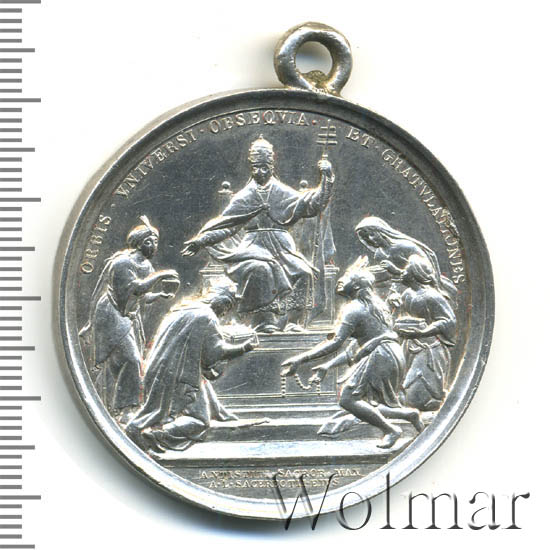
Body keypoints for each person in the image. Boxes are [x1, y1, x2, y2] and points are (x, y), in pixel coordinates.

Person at [181, 136, 335, 333]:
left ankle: (292, 322)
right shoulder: (244, 196)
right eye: (255, 168)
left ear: (271, 166)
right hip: (253, 247)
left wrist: (326, 178)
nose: (259, 172)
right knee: (261, 269)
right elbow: (227, 225)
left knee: (303, 272)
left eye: (264, 167)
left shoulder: (282, 192)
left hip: (283, 247)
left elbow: (312, 204)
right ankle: (263, 321)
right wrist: (202, 240)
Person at [281, 262, 423, 449]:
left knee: (348, 399)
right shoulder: (376, 305)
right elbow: (355, 348)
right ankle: (409, 415)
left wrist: (301, 359)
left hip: (380, 355)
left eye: (346, 278)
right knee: (365, 402)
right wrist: (328, 365)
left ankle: (391, 430)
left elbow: (335, 342)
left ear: (356, 286)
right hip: (391, 352)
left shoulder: (354, 308)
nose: (340, 281)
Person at [126, 283, 257, 453]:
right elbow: (214, 352)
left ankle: (151, 432)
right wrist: (244, 347)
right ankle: (153, 434)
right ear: (221, 302)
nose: (225, 313)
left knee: (163, 407)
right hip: (179, 376)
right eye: (227, 307)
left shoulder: (184, 309)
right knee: (199, 420)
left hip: (161, 368)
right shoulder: (207, 317)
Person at [79, 216, 179, 420]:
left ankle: (112, 406)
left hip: (128, 317)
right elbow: (134, 289)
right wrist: (161, 276)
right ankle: (126, 409)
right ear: (139, 243)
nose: (154, 246)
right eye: (150, 242)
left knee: (120, 363)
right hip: (112, 315)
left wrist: (158, 295)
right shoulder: (122, 263)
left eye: (156, 242)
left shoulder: (146, 266)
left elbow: (141, 297)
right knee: (131, 360)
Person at [394, 254, 457, 411]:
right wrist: (393, 307)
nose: (402, 272)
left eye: (406, 269)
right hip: (408, 347)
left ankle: (431, 402)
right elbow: (401, 319)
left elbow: (448, 321)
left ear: (415, 274)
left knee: (415, 396)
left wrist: (422, 332)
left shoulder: (432, 296)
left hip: (429, 350)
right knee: (400, 389)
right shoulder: (407, 294)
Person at [354, 216, 456, 300]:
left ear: (381, 232)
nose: (370, 239)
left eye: (372, 234)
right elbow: (388, 277)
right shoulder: (379, 254)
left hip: (419, 287)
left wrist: (396, 270)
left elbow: (426, 269)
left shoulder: (405, 246)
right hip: (396, 289)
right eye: (366, 237)